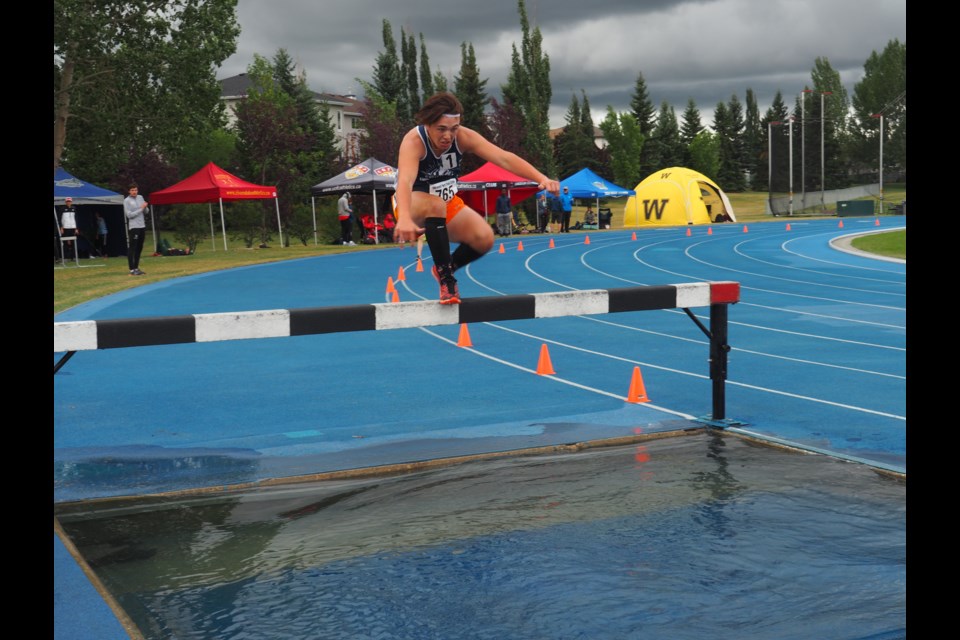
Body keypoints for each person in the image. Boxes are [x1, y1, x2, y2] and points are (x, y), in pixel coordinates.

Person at [393, 92, 560, 304]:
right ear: (428, 124)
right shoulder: (414, 141)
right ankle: (447, 281)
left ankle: (446, 266)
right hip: (411, 201)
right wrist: (405, 218)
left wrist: (541, 178)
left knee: (484, 237)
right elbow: (405, 182)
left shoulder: (463, 137)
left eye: (453, 129)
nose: (448, 136)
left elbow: (503, 158)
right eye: (441, 129)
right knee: (434, 204)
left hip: (445, 202)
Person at [124, 183, 148, 275]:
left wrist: (145, 207)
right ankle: (132, 269)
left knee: (139, 247)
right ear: (129, 191)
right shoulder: (127, 201)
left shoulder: (140, 197)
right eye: (132, 190)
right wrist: (141, 209)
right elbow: (129, 215)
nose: (134, 192)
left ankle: (136, 267)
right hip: (134, 227)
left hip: (142, 225)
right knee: (132, 248)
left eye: (135, 190)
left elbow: (146, 211)